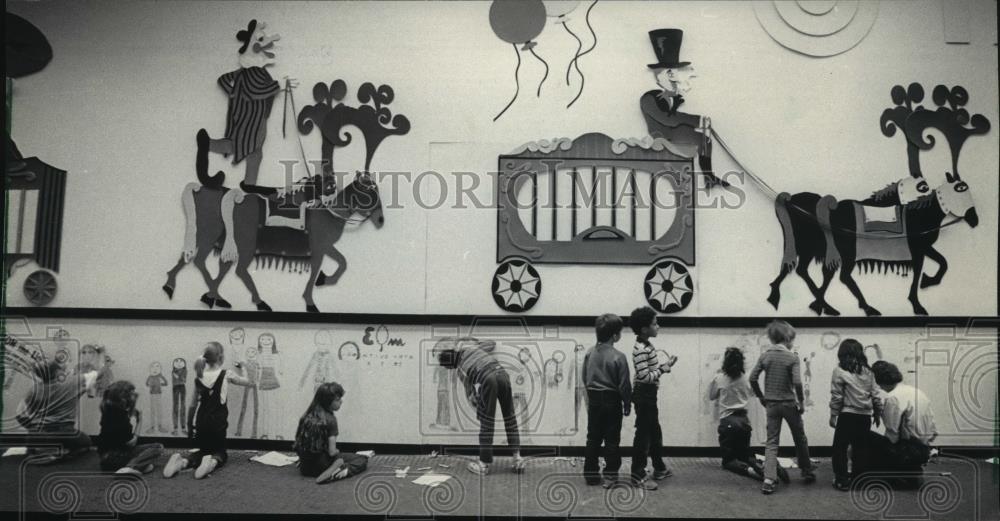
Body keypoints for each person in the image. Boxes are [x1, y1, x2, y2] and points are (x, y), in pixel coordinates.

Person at [640, 28, 726, 188]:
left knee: (704, 140)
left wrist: (699, 121)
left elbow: (674, 117)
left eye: (674, 73)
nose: (674, 78)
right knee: (700, 138)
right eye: (670, 73)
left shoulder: (669, 96)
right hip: (661, 136)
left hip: (673, 132)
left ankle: (709, 177)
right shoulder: (649, 98)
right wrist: (698, 120)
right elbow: (668, 120)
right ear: (659, 75)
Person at [434, 337, 524, 475]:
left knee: (487, 422)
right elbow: (491, 344)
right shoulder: (472, 349)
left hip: (488, 379)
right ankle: (517, 459)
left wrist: (479, 408)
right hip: (502, 374)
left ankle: (483, 464)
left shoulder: (460, 370)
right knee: (510, 416)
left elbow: (471, 394)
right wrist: (466, 339)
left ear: (450, 366)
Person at [163, 342, 251, 479]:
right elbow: (247, 381)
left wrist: (190, 426)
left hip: (201, 420)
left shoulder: (199, 377)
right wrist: (243, 367)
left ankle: (183, 462)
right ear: (221, 357)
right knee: (220, 452)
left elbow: (192, 405)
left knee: (203, 450)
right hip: (218, 421)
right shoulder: (226, 374)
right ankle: (211, 462)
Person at [749, 320, 816, 494]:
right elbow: (797, 382)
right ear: (787, 338)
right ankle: (807, 471)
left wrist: (761, 397)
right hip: (788, 403)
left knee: (771, 442)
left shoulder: (765, 356)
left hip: (771, 404)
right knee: (799, 437)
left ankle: (769, 479)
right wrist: (801, 402)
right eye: (791, 338)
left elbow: (752, 378)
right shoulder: (792, 357)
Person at [709, 347, 786, 483]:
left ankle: (752, 472)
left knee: (728, 461)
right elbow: (753, 393)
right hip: (744, 422)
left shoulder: (719, 378)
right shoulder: (747, 378)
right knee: (745, 456)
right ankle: (769, 465)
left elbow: (712, 396)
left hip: (727, 422)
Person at [866, 361, 937, 489]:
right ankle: (910, 469)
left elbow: (892, 433)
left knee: (864, 436)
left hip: (908, 449)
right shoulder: (917, 392)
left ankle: (896, 473)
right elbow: (932, 427)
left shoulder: (893, 397)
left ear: (878, 381)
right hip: (924, 447)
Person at [628, 306, 675, 490]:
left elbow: (647, 373)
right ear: (644, 329)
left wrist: (664, 366)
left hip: (648, 395)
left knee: (654, 432)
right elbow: (645, 377)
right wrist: (663, 369)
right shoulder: (640, 349)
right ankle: (637, 474)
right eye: (655, 323)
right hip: (644, 395)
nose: (658, 326)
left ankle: (659, 468)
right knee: (643, 435)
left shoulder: (647, 345)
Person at [582, 314, 632, 488]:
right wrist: (627, 403)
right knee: (612, 439)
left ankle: (590, 474)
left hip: (594, 399)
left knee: (593, 438)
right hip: (612, 400)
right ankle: (610, 476)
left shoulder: (589, 353)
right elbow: (624, 384)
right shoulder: (619, 356)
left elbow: (584, 377)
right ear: (615, 336)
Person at [16, 358, 98, 463]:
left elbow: (19, 415)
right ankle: (64, 454)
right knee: (86, 442)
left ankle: (40, 452)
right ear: (57, 371)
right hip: (64, 432)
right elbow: (95, 374)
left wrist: (32, 429)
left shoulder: (33, 390)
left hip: (38, 433)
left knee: (36, 439)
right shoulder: (72, 382)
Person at [829, 339, 882, 490]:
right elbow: (876, 394)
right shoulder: (869, 372)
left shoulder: (839, 371)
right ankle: (860, 480)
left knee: (840, 448)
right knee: (861, 449)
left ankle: (842, 480)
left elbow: (837, 396)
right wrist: (877, 413)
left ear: (841, 354)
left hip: (847, 416)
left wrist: (833, 415)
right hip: (865, 416)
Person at [293, 382, 370, 483]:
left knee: (318, 457)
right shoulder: (330, 420)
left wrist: (303, 458)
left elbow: (297, 444)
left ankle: (332, 467)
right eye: (338, 399)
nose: (341, 402)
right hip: (323, 466)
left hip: (305, 468)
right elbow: (332, 452)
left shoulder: (305, 417)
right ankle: (339, 471)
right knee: (362, 459)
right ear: (327, 401)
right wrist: (338, 452)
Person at [97, 380, 164, 475]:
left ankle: (134, 467)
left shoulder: (108, 411)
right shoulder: (121, 418)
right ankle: (131, 467)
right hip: (117, 457)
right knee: (158, 447)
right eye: (132, 394)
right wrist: (139, 421)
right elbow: (131, 443)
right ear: (123, 398)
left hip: (104, 458)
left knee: (149, 466)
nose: (135, 396)